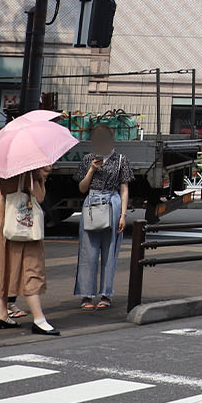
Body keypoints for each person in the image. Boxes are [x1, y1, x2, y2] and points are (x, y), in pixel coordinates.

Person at [0, 167, 57, 335]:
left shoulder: (1, 170)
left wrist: (2, 226)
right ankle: (39, 319)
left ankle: (2, 314)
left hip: (8, 227)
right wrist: (41, 179)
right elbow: (40, 197)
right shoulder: (30, 172)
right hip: (27, 230)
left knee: (3, 269)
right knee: (32, 270)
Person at [74, 125, 131, 310]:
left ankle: (106, 294)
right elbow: (82, 188)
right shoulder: (88, 159)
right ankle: (86, 295)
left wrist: (123, 214)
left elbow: (124, 189)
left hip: (112, 203)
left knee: (110, 251)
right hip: (91, 201)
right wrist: (91, 170)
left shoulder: (121, 159)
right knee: (87, 252)